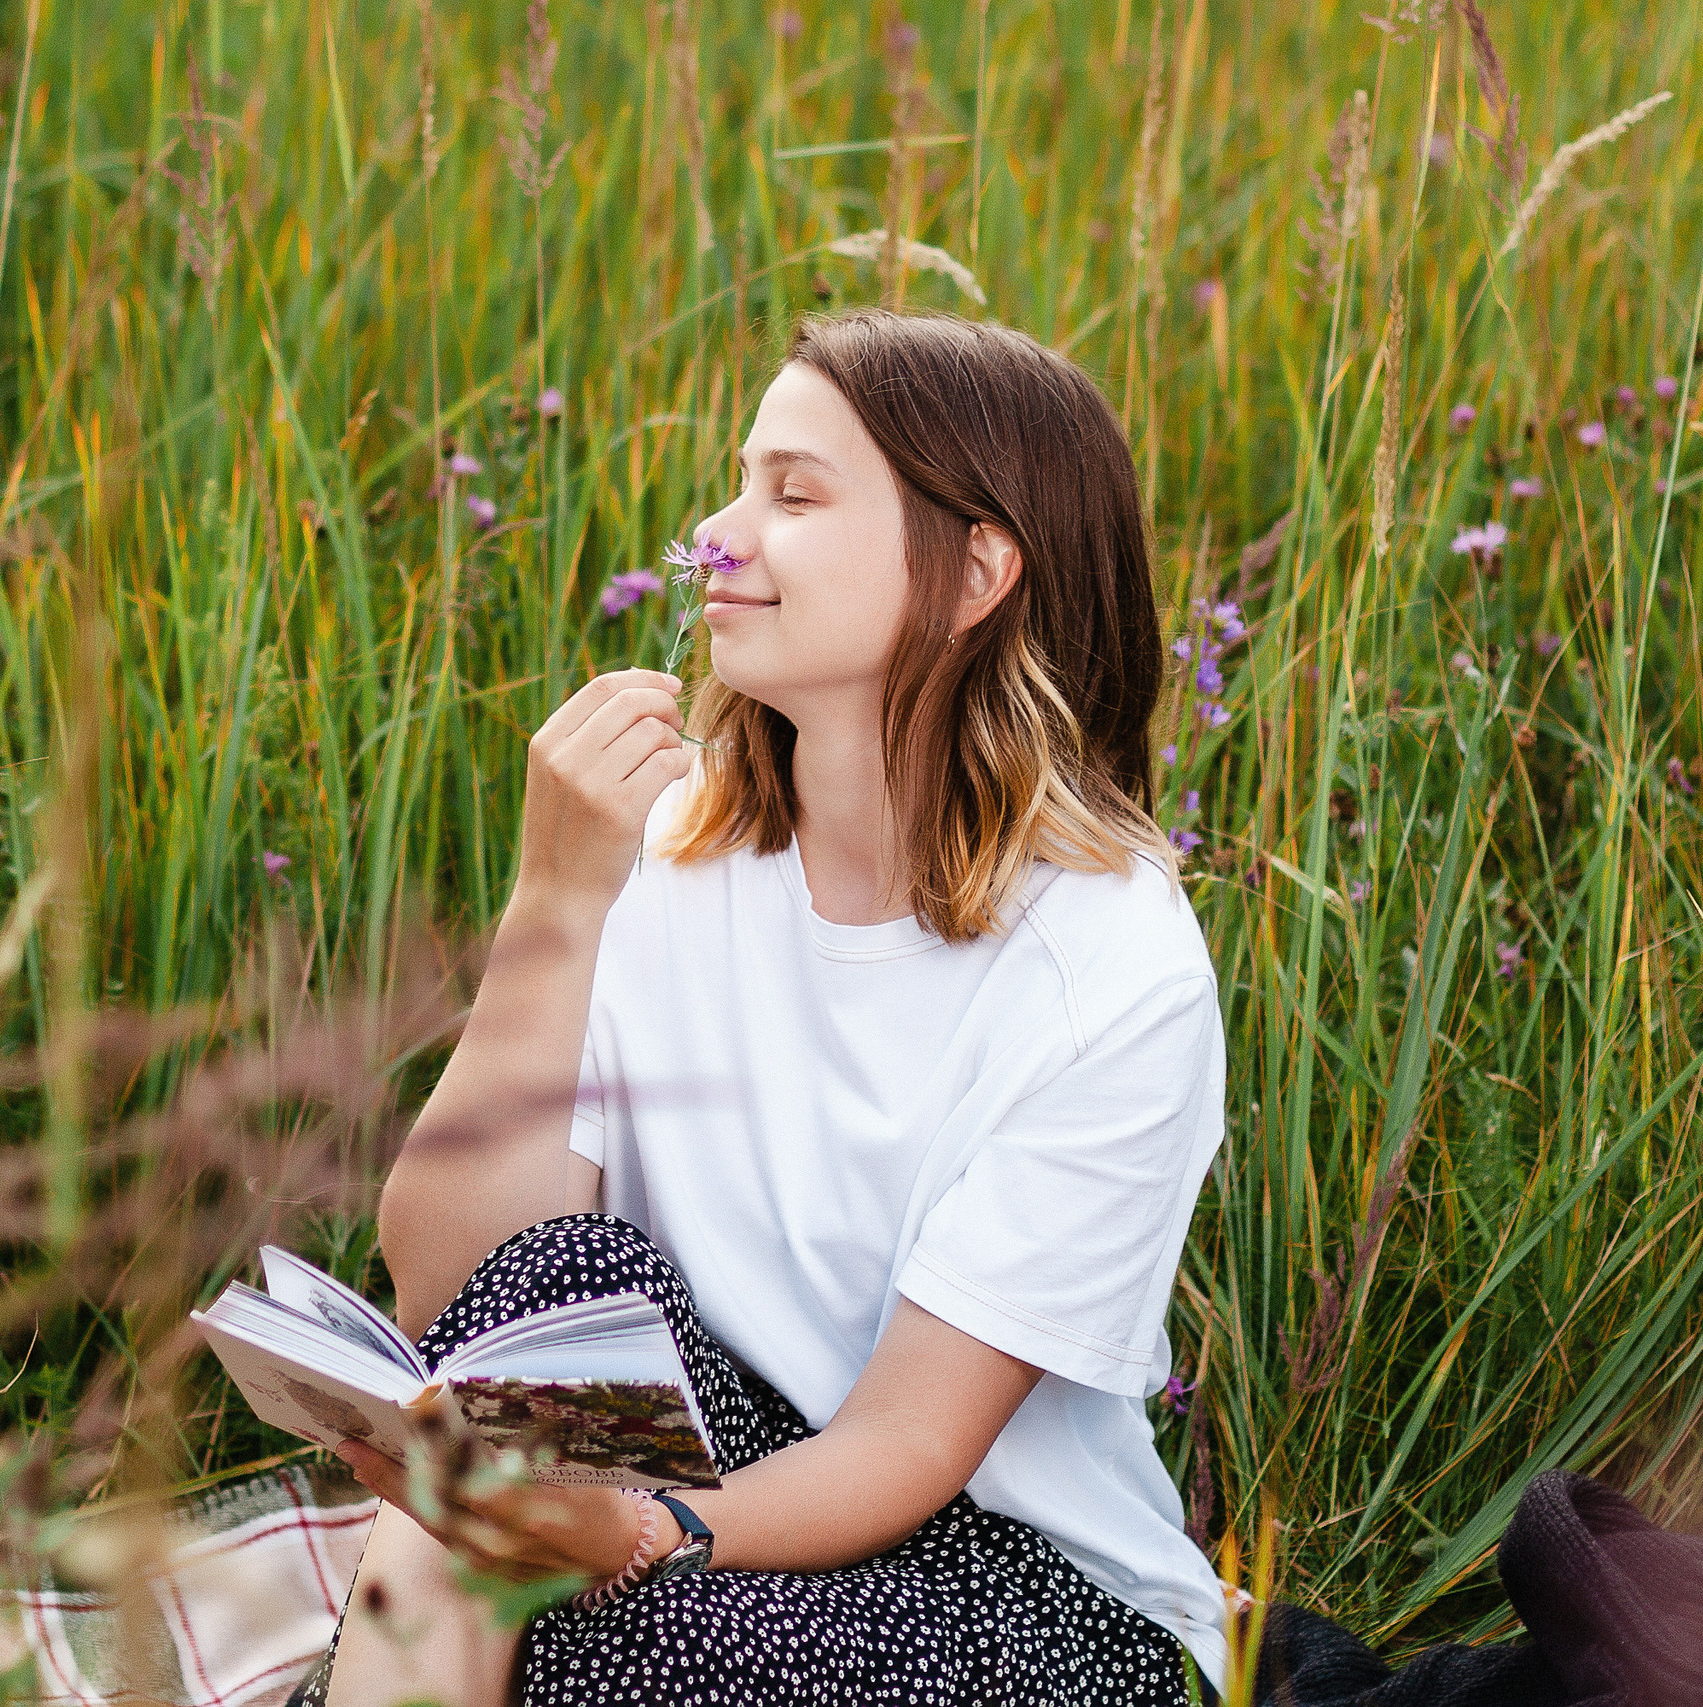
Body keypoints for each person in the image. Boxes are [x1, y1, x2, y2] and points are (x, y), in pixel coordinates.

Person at [318, 308, 1232, 1707]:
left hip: (1012, 1581)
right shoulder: (668, 847)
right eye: (739, 484)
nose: (716, 536)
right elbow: (456, 1286)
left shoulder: (1112, 967)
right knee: (542, 1323)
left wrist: (633, 1532)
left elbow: (911, 1447)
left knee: (636, 1642)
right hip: (717, 1453)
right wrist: (554, 905)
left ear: (975, 569)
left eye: (793, 495)